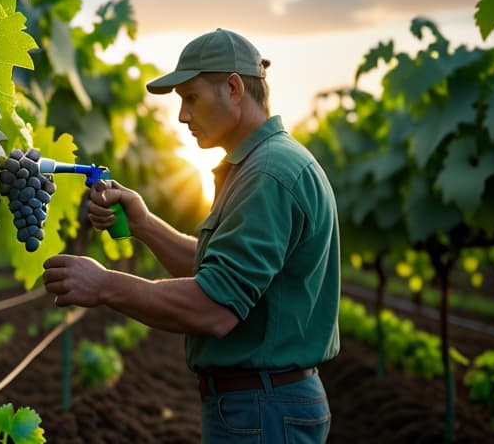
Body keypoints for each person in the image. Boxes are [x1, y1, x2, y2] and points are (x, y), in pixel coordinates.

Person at [41, 28, 340, 443]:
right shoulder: (263, 164)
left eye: (191, 98)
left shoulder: (268, 174)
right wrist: (144, 224)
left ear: (233, 88)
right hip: (264, 404)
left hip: (262, 410)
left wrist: (105, 285)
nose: (182, 116)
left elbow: (214, 308)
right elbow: (215, 270)